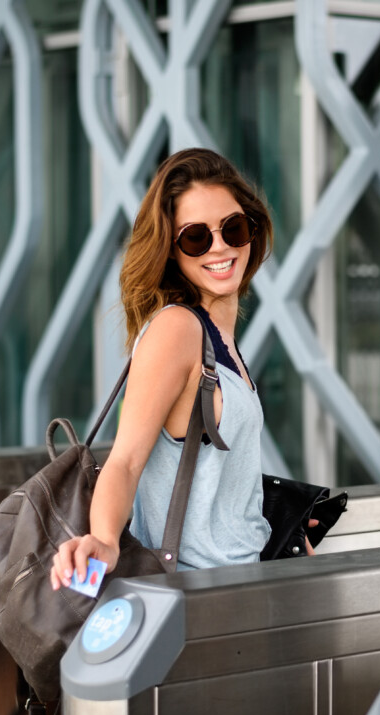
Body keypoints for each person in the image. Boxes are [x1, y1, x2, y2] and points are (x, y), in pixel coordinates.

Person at [51, 147, 310, 588]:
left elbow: (218, 477)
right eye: (196, 237)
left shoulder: (219, 337)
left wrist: (283, 525)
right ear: (171, 251)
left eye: (233, 228)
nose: (221, 247)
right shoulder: (178, 329)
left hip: (243, 583)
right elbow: (127, 460)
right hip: (196, 597)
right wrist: (104, 538)